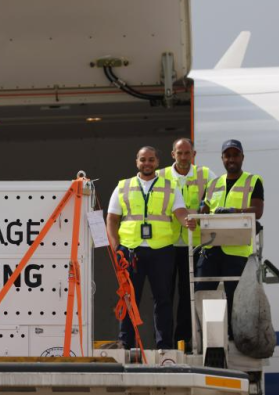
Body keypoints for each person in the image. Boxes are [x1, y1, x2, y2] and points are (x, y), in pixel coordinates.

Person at [107, 146, 196, 349]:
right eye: (143, 160)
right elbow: (112, 219)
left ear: (157, 162)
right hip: (130, 251)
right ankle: (125, 342)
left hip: (161, 250)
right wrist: (116, 247)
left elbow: (180, 211)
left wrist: (187, 221)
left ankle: (163, 345)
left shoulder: (169, 186)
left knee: (163, 300)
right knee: (129, 299)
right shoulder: (123, 186)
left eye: (151, 160)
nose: (147, 163)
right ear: (136, 162)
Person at [198, 139, 264, 338]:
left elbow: (257, 211)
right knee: (201, 291)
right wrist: (201, 211)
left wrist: (234, 211)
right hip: (211, 248)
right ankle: (206, 336)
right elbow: (204, 209)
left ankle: (235, 338)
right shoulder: (213, 183)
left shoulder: (253, 181)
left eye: (235, 155)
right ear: (222, 159)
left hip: (237, 249)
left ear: (242, 157)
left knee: (236, 297)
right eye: (228, 155)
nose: (232, 159)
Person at [157, 138, 216, 350]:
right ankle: (163, 344)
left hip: (195, 245)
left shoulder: (206, 175)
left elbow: (216, 202)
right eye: (179, 153)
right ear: (172, 154)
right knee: (164, 296)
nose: (183, 157)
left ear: (194, 154)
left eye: (187, 153)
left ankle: (182, 343)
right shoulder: (159, 176)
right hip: (165, 245)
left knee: (188, 297)